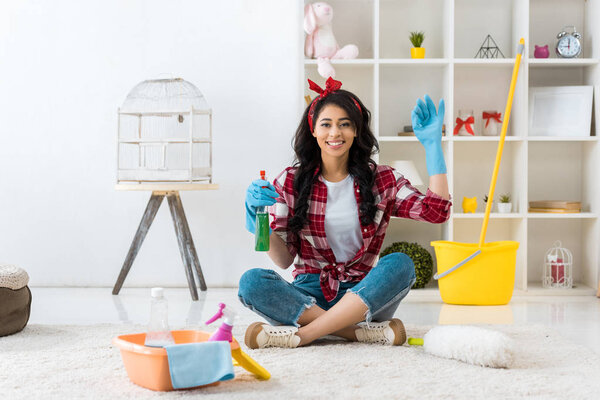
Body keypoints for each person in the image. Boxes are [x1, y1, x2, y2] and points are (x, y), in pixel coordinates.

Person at [239, 77, 451, 349]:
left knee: (401, 263)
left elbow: (436, 212)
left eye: (345, 124)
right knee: (252, 282)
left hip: (363, 296)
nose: (335, 133)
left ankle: (304, 334)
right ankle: (354, 332)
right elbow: (283, 260)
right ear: (313, 131)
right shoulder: (289, 181)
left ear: (356, 131)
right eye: (326, 124)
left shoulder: (382, 180)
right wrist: (256, 220)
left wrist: (433, 146)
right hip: (308, 295)